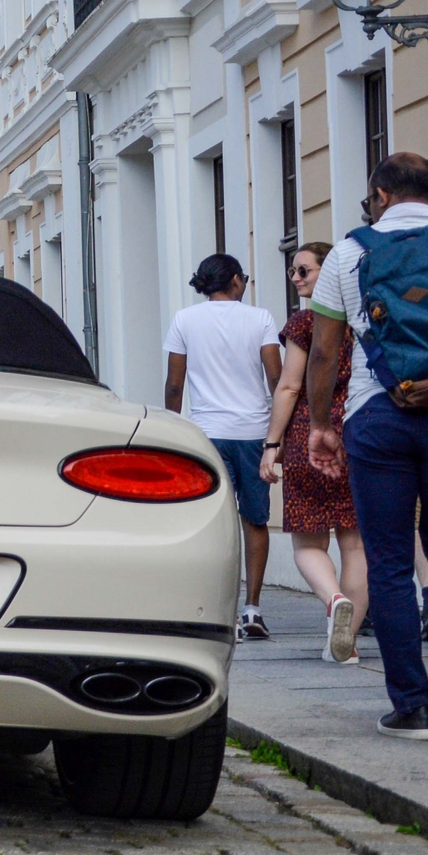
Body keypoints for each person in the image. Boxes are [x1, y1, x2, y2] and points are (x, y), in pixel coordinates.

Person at [306, 154, 428, 741]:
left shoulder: (348, 255)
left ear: (378, 195)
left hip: (377, 416)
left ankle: (412, 707)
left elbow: (325, 352)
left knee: (392, 561)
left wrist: (321, 424)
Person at [165, 254, 284, 641]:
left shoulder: (185, 319)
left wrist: (174, 428)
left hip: (207, 434)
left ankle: (220, 612)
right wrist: (278, 432)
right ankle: (253, 609)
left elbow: (174, 384)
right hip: (252, 432)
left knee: (215, 524)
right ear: (235, 280)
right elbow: (275, 377)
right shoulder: (261, 318)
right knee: (255, 520)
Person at [261, 243, 364, 663]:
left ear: (329, 272)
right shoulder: (363, 321)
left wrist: (272, 444)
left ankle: (333, 599)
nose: (297, 277)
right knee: (356, 544)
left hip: (311, 431)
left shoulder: (305, 323)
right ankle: (346, 641)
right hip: (358, 430)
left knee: (307, 543)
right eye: (292, 271)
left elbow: (288, 386)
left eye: (305, 269)